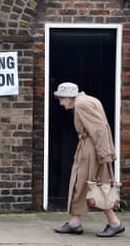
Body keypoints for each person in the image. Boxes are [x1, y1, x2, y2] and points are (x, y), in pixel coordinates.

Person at [53, 82, 125, 237]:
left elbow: (99, 129)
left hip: (91, 149)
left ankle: (114, 223)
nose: (60, 102)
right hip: (91, 147)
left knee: (94, 185)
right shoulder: (88, 100)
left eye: (61, 98)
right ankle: (74, 222)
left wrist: (104, 154)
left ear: (68, 97)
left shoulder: (82, 104)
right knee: (82, 185)